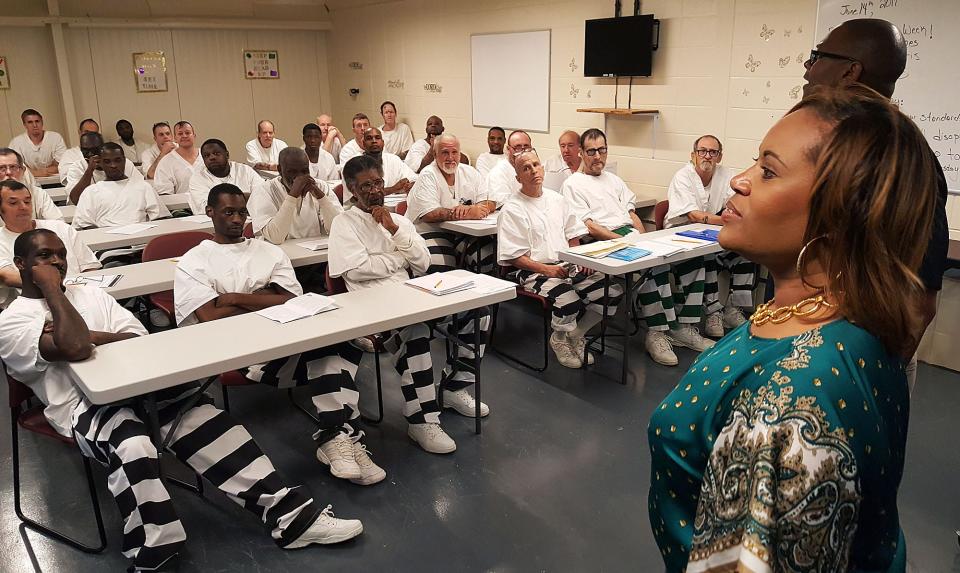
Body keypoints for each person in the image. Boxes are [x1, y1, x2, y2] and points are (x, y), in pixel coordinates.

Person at [648, 86, 934, 573]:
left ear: (838, 213)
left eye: (768, 170)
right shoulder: (842, 318)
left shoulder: (788, 406)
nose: (739, 180)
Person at [0, 229, 362, 571]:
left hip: (140, 385)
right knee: (134, 444)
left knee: (209, 420)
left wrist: (84, 334)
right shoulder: (12, 321)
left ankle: (292, 520)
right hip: (83, 408)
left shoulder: (91, 295)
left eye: (61, 255)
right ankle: (156, 551)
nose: (57, 263)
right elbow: (75, 347)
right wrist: (55, 297)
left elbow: (136, 338)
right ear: (20, 264)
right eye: (44, 256)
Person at [175, 183, 386, 486]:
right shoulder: (194, 261)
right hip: (238, 353)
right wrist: (265, 294)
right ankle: (341, 435)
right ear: (210, 213)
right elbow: (208, 316)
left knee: (336, 342)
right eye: (228, 212)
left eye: (241, 212)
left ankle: (336, 435)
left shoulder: (267, 250)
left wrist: (234, 298)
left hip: (286, 339)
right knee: (331, 353)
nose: (237, 219)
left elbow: (291, 299)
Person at [802, 18, 948, 393]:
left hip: (858, 362)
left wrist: (878, 376)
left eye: (817, 56)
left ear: (850, 71)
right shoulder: (824, 140)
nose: (808, 67)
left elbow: (921, 298)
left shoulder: (900, 156)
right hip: (809, 344)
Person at [328, 155, 491, 451]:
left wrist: (394, 230)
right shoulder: (344, 223)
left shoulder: (399, 221)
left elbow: (423, 261)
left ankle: (454, 388)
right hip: (372, 309)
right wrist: (397, 259)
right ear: (351, 188)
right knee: (415, 332)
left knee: (478, 314)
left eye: (378, 183)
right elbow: (355, 270)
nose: (374, 191)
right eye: (365, 186)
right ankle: (422, 420)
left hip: (413, 296)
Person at [561, 129, 713, 366]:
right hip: (605, 243)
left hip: (631, 238)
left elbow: (632, 215)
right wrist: (625, 242)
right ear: (581, 153)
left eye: (602, 150)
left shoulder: (614, 180)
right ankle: (657, 333)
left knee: (681, 263)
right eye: (591, 151)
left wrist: (645, 241)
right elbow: (591, 227)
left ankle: (681, 328)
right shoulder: (573, 184)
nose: (598, 156)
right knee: (653, 270)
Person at [497, 150, 623, 369]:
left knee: (611, 292)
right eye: (526, 168)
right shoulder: (512, 208)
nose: (533, 171)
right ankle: (559, 339)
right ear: (518, 177)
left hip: (565, 265)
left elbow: (573, 235)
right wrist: (547, 270)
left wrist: (579, 259)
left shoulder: (557, 199)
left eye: (536, 164)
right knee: (569, 300)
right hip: (532, 270)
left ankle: (574, 335)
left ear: (543, 168)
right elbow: (516, 258)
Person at [665, 135, 758, 338]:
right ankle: (712, 313)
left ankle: (733, 309)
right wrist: (729, 220)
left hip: (710, 235)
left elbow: (736, 204)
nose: (707, 156)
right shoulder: (683, 176)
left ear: (720, 156)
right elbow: (694, 215)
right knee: (704, 259)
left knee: (745, 252)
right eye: (702, 151)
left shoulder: (725, 175)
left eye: (713, 152)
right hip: (680, 235)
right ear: (693, 155)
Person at [405, 133, 496, 272]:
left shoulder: (470, 172)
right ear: (435, 155)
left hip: (462, 233)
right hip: (429, 231)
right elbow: (429, 214)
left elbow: (490, 201)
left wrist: (480, 207)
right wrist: (465, 213)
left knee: (487, 258)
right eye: (445, 153)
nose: (450, 157)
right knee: (440, 266)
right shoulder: (428, 175)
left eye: (454, 152)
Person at [0, 180, 98, 307]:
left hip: (83, 296)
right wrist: (57, 286)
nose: (23, 207)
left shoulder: (61, 228)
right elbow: (8, 277)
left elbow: (90, 267)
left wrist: (87, 293)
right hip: (35, 305)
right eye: (13, 203)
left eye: (27, 201)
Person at [248, 147, 343, 244]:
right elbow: (275, 237)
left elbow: (339, 229)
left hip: (315, 255)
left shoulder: (320, 187)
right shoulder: (263, 191)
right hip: (279, 255)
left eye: (305, 171)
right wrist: (293, 195)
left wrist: (321, 198)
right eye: (292, 172)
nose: (299, 177)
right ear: (280, 170)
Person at [72, 143, 169, 229]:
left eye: (117, 160)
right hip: (109, 246)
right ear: (100, 163)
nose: (113, 165)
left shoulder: (144, 187)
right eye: (107, 162)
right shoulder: (90, 192)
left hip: (142, 244)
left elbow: (161, 217)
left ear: (124, 161)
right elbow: (82, 224)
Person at [65, 132, 144, 205]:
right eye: (85, 150)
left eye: (94, 150)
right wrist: (89, 170)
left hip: (124, 205)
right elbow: (75, 199)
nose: (90, 154)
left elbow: (141, 188)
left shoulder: (121, 162)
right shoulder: (77, 167)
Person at [187, 138, 261, 214]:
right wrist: (245, 198)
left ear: (227, 155)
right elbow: (205, 207)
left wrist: (223, 202)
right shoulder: (197, 178)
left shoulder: (245, 170)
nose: (212, 157)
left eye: (216, 153)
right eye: (207, 155)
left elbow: (263, 195)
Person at [0, 148, 63, 221]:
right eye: (1, 168)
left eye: (13, 167)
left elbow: (58, 224)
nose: (8, 172)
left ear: (23, 171)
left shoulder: (38, 193)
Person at [8, 109, 65, 177]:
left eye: (37, 121)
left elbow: (63, 164)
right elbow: (13, 168)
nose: (34, 125)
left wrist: (42, 171)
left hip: (54, 179)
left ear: (42, 122)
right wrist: (35, 173)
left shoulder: (55, 137)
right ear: (25, 125)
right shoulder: (16, 142)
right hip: (26, 182)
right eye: (30, 122)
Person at [359, 127, 416, 195]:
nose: (374, 141)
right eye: (369, 138)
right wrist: (393, 189)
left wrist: (410, 185)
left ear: (383, 143)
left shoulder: (393, 159)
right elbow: (359, 195)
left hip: (397, 202)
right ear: (363, 143)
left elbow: (414, 178)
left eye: (377, 138)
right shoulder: (355, 163)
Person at [480, 129, 530, 204]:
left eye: (526, 147)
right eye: (517, 147)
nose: (523, 151)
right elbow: (505, 203)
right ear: (509, 149)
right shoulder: (498, 173)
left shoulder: (531, 168)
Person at [153, 120, 203, 195]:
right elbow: (164, 194)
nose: (184, 136)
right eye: (180, 134)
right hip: (181, 205)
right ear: (175, 138)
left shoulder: (205, 155)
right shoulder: (166, 162)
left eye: (187, 133)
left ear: (194, 136)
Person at [57, 118, 99, 184]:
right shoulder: (69, 154)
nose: (90, 136)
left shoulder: (105, 153)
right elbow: (68, 180)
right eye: (86, 132)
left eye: (94, 133)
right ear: (80, 132)